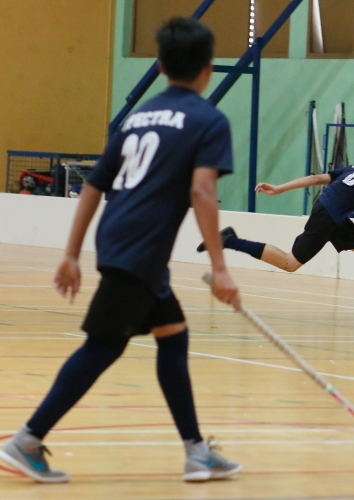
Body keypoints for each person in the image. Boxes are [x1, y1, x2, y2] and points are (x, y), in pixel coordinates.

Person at [0, 17, 242, 483]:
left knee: (173, 336)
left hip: (120, 241)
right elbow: (202, 192)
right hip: (143, 251)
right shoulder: (209, 120)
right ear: (209, 69)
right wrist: (220, 267)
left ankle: (196, 451)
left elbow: (93, 184)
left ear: (159, 65)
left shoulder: (139, 117)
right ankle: (25, 441)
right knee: (103, 346)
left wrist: (71, 253)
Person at [197, 139, 354, 322]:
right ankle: (229, 240)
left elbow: (319, 178)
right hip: (329, 216)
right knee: (290, 263)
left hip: (330, 210)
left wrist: (280, 188)